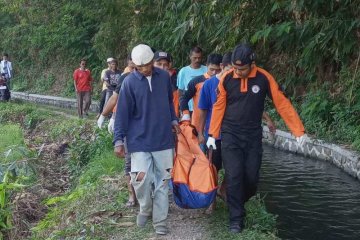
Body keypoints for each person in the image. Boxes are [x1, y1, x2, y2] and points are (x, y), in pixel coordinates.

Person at [207, 44, 307, 233]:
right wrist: (213, 134)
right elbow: (219, 106)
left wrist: (297, 131)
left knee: (251, 180)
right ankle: (236, 219)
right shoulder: (227, 78)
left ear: (252, 64)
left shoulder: (264, 78)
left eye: (242, 69)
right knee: (234, 175)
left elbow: (282, 103)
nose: (238, 72)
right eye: (235, 68)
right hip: (231, 134)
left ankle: (234, 200)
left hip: (253, 135)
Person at [113, 44, 180, 235]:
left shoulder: (164, 78)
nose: (144, 69)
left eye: (147, 65)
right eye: (140, 67)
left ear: (152, 61)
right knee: (140, 179)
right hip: (139, 140)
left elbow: (169, 101)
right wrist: (118, 140)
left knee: (162, 182)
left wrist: (174, 119)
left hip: (163, 139)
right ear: (134, 65)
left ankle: (160, 221)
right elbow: (122, 114)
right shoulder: (129, 83)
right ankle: (145, 207)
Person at [97, 55, 137, 207]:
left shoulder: (154, 78)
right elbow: (115, 99)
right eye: (131, 65)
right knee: (129, 163)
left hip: (146, 127)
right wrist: (105, 115)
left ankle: (148, 196)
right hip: (128, 125)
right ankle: (132, 195)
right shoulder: (125, 78)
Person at [180, 53, 222, 133]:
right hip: (199, 126)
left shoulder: (225, 81)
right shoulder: (196, 81)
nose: (214, 73)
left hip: (219, 125)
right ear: (206, 66)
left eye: (218, 70)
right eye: (211, 69)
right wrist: (186, 113)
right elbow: (184, 98)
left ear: (222, 67)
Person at [177, 46, 207, 114]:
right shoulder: (183, 71)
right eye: (195, 58)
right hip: (189, 108)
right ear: (190, 57)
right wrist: (182, 108)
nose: (197, 60)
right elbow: (180, 91)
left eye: (199, 58)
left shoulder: (207, 69)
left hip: (204, 108)